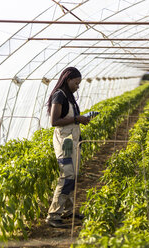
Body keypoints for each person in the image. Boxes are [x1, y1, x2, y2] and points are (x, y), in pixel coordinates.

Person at [45, 67, 97, 228]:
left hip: (72, 140)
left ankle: (67, 210)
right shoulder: (59, 95)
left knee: (73, 174)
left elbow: (70, 119)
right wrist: (77, 118)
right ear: (68, 80)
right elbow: (54, 121)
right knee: (67, 175)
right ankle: (53, 215)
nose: (77, 86)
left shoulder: (68, 96)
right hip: (65, 142)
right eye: (76, 83)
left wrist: (81, 119)